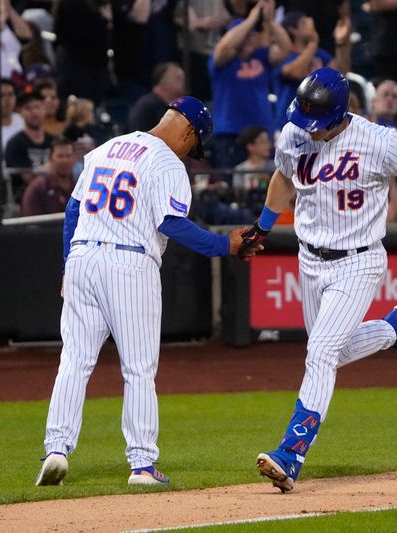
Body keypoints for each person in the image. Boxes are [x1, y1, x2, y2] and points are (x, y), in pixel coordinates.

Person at [238, 67, 397, 493]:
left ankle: (290, 453)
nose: (308, 130)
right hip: (309, 260)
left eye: (317, 122)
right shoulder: (294, 133)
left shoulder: (378, 140)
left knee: (320, 352)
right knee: (331, 352)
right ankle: (393, 329)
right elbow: (283, 176)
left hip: (359, 260)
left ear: (339, 112)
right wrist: (262, 226)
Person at [34, 96, 256, 487]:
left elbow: (73, 211)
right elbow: (173, 223)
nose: (191, 152)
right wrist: (226, 246)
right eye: (194, 143)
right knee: (138, 368)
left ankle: (56, 449)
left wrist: (68, 264)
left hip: (84, 257)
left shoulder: (105, 148)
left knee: (75, 360)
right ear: (187, 130)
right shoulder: (168, 162)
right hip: (130, 263)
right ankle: (142, 464)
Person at [208, 0, 291, 169]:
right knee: (234, 185)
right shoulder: (222, 60)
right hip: (231, 132)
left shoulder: (261, 56)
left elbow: (285, 48)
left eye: (253, 33)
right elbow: (225, 46)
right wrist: (252, 18)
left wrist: (270, 22)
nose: (251, 36)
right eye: (247, 33)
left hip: (261, 134)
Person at [272, 10, 351, 132]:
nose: (311, 24)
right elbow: (294, 73)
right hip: (289, 124)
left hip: (316, 123)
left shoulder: (319, 54)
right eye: (304, 23)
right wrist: (313, 43)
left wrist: (340, 43)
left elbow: (340, 74)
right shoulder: (284, 55)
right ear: (293, 29)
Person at [5, 89, 55, 197]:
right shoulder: (15, 143)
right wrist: (53, 166)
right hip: (26, 195)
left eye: (37, 107)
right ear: (20, 112)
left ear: (44, 109)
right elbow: (28, 178)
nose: (34, 112)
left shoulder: (54, 140)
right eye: (28, 108)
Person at [20, 137, 76, 216]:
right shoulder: (38, 187)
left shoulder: (79, 185)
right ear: (51, 158)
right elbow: (30, 222)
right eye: (60, 156)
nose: (65, 160)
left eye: (68, 156)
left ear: (74, 158)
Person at [127, 62, 186, 133]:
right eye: (178, 78)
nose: (184, 82)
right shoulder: (146, 106)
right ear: (163, 81)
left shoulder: (179, 107)